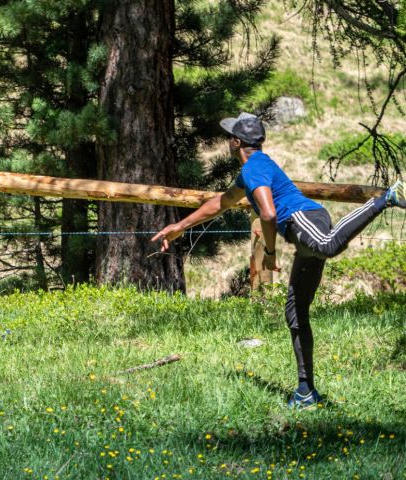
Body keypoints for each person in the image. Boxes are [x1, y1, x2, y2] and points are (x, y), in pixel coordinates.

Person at [151, 112, 406, 409]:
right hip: (301, 229)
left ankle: (385, 198)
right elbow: (220, 203)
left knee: (327, 245)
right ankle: (306, 392)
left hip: (304, 219)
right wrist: (179, 227)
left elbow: (269, 215)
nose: (226, 140)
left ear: (236, 142)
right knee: (295, 312)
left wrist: (270, 252)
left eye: (228, 136)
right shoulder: (251, 170)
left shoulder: (254, 169)